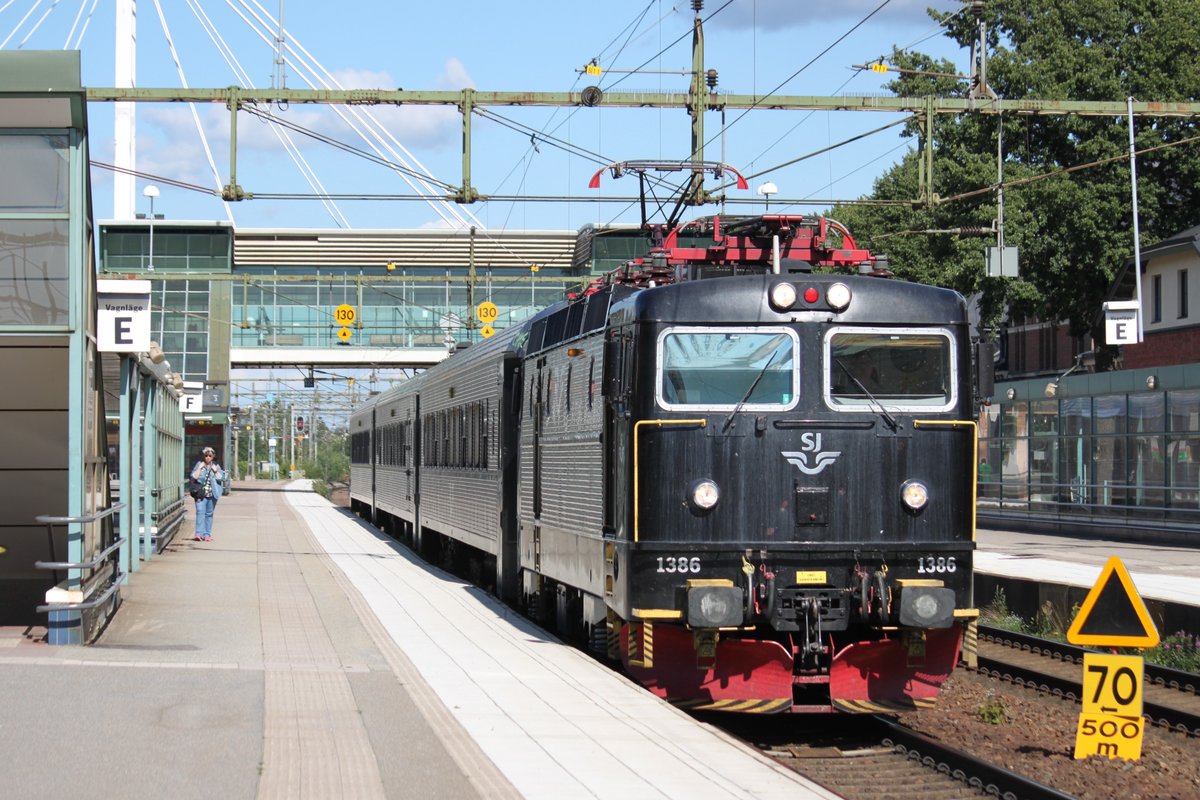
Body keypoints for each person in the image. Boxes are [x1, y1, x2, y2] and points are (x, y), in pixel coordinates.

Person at [190, 446, 225, 542]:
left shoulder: (216, 466)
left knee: (209, 514)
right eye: (206, 455)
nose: (208, 457)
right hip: (200, 494)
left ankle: (207, 535)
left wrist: (216, 470)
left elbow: (221, 478)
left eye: (210, 455)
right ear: (203, 456)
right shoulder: (199, 465)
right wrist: (200, 468)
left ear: (213, 456)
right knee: (200, 512)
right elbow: (194, 477)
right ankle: (198, 534)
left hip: (213, 494)